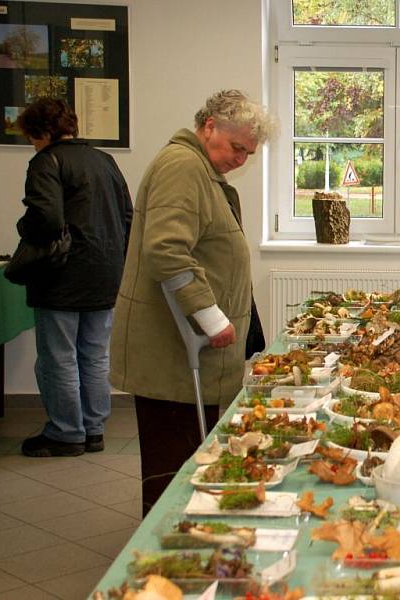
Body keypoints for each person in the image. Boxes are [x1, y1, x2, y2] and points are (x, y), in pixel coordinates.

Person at [110, 90, 274, 516]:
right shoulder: (183, 167)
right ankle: (162, 549)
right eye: (237, 147)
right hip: (172, 346)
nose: (241, 159)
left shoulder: (202, 170)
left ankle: (181, 530)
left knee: (187, 452)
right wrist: (212, 317)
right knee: (173, 459)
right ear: (209, 127)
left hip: (187, 346)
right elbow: (166, 250)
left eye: (249, 153)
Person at [16, 98, 133, 457]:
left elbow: (46, 219)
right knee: (95, 356)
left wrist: (23, 225)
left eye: (33, 137)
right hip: (105, 272)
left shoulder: (46, 161)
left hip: (61, 275)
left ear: (43, 132)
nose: (33, 144)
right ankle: (94, 430)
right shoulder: (105, 160)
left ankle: (66, 433)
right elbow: (128, 216)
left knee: (58, 357)